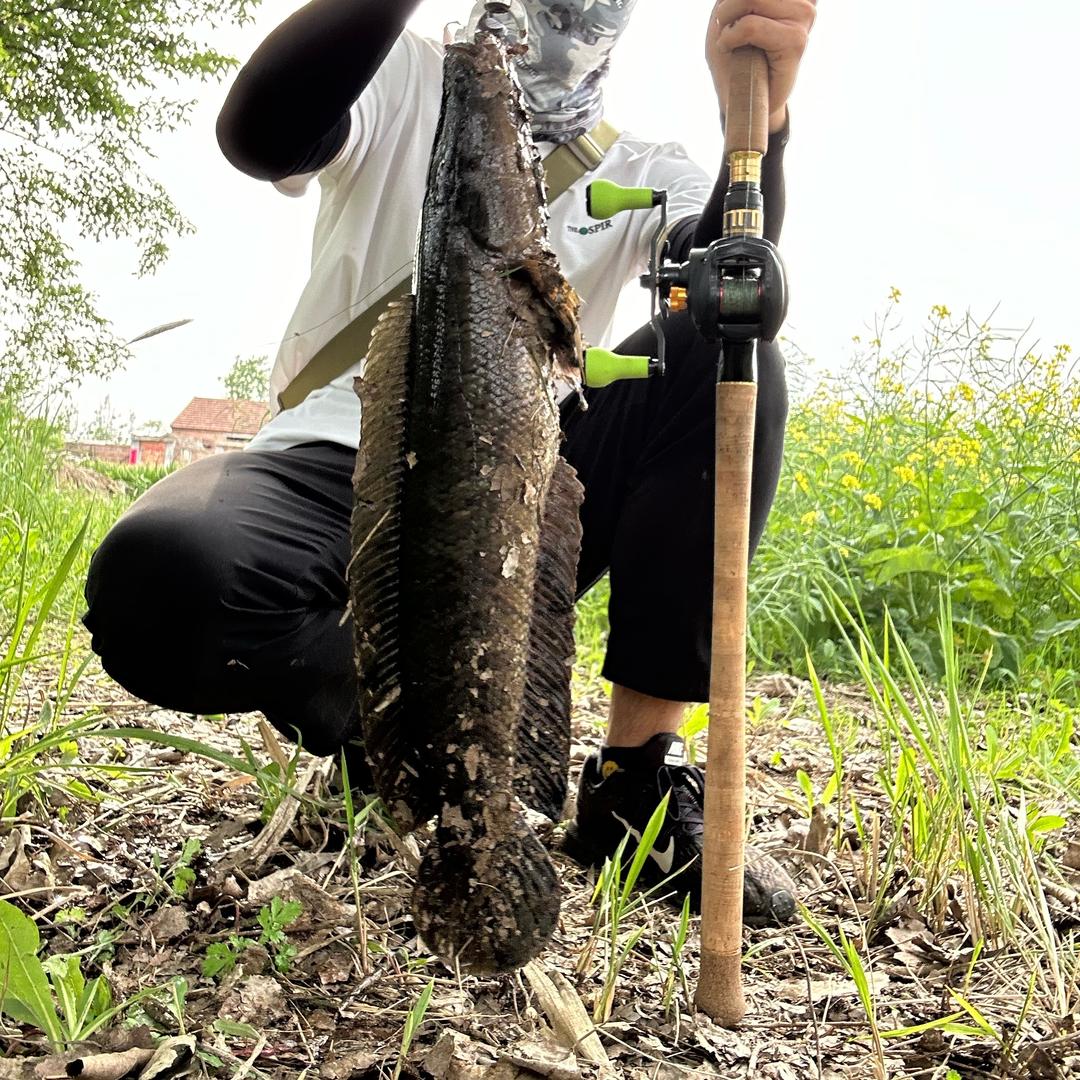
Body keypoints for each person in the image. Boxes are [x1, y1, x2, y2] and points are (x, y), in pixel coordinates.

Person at [84, 0, 816, 924]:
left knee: (726, 344)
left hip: (522, 479)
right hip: (332, 459)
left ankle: (633, 786)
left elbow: (728, 273)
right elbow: (262, 136)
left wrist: (766, 127)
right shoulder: (397, 76)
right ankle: (399, 740)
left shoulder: (642, 173)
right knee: (162, 580)